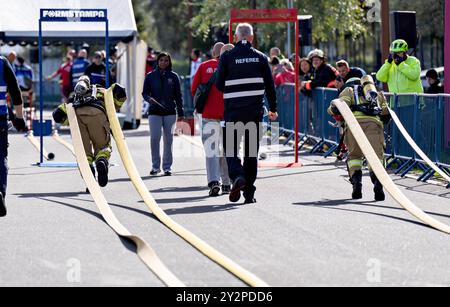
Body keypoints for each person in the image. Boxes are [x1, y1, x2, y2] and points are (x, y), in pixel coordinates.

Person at [216, 23, 278, 204]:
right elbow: (270, 86)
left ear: (236, 37)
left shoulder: (227, 56)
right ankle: (249, 194)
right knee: (251, 152)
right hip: (254, 112)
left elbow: (219, 85)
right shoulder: (260, 57)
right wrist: (273, 108)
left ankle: (237, 176)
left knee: (231, 148)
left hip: (233, 111)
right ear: (251, 38)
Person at [52, 76, 127, 188]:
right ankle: (101, 161)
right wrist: (118, 91)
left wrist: (64, 120)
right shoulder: (99, 91)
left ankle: (89, 177)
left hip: (78, 119)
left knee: (83, 154)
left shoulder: (74, 98)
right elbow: (117, 96)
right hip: (97, 116)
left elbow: (58, 114)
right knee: (103, 147)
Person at [327, 75, 391, 201]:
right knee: (376, 156)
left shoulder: (348, 91)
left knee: (355, 157)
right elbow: (386, 114)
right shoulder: (377, 94)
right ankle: (378, 183)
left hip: (354, 127)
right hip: (374, 126)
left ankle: (357, 184)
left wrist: (331, 109)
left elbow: (338, 108)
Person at [191, 42, 231, 197]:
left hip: (209, 114)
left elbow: (195, 89)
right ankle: (227, 183)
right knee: (228, 150)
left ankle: (214, 181)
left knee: (211, 150)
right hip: (229, 115)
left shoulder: (204, 67)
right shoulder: (233, 67)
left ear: (214, 52)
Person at [142, 52, 184, 176]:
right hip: (154, 112)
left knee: (168, 140)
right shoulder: (150, 76)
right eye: (161, 60)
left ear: (169, 62)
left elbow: (178, 96)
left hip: (170, 112)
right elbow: (144, 93)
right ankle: (155, 167)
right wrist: (149, 99)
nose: (163, 62)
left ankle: (167, 167)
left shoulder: (174, 76)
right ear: (157, 61)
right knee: (155, 139)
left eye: (166, 60)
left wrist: (181, 113)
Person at [0, 55, 27, 216]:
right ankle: (0, 191)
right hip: (0, 120)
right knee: (1, 156)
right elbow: (16, 92)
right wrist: (20, 117)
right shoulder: (2, 62)